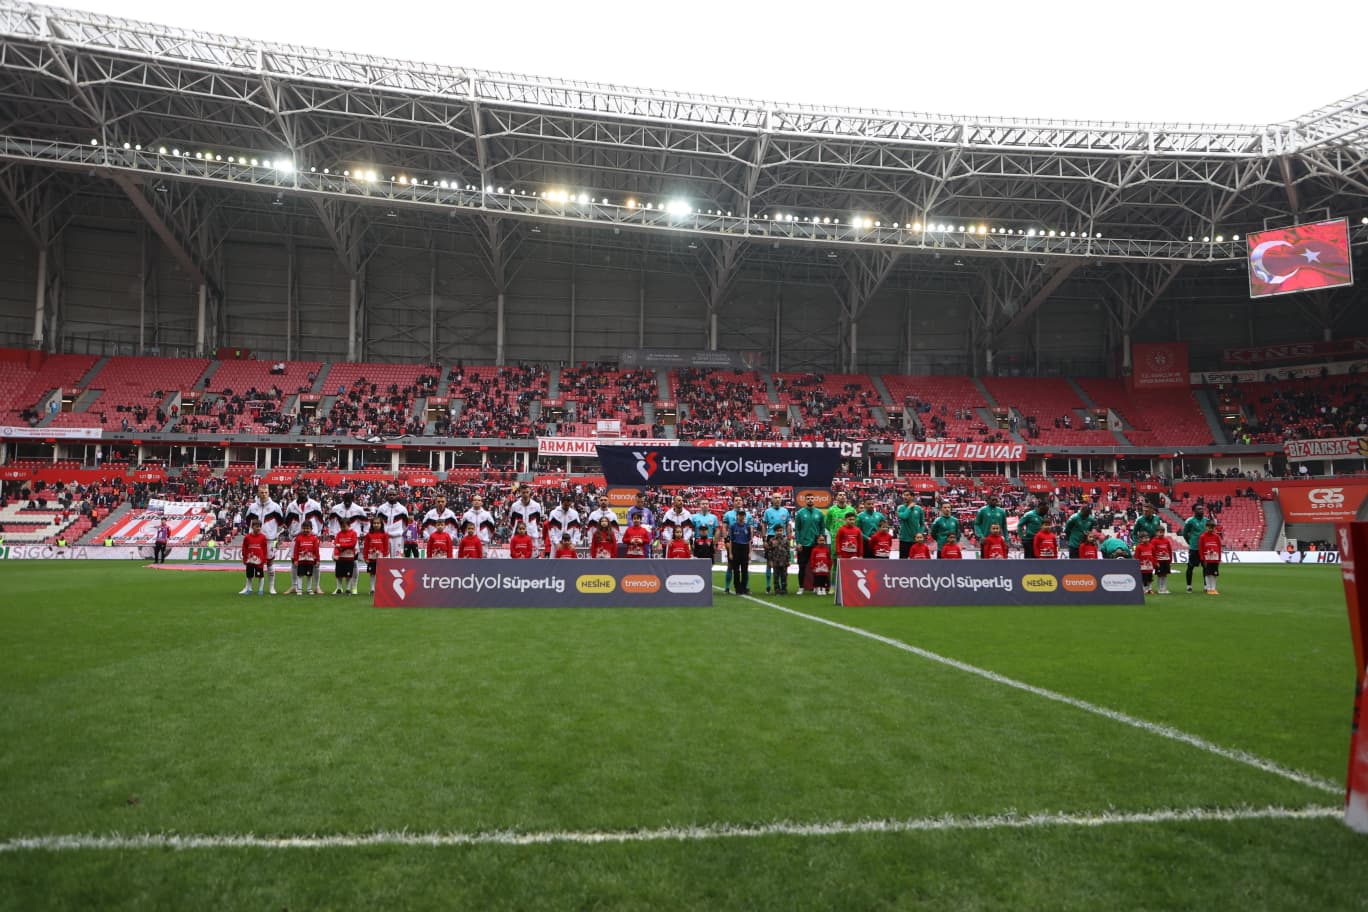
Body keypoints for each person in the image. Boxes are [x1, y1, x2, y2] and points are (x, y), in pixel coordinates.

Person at [245, 486, 285, 595]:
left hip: (269, 540)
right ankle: (248, 587)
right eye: (261, 492)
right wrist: (251, 533)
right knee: (251, 562)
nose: (263, 494)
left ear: (268, 493)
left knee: (270, 562)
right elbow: (248, 521)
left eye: (265, 492)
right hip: (254, 540)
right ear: (258, 493)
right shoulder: (252, 507)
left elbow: (281, 523)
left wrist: (275, 535)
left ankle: (271, 587)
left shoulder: (275, 507)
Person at [793, 492, 824, 594]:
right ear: (805, 500)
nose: (810, 500)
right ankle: (801, 587)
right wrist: (798, 542)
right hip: (803, 544)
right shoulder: (800, 513)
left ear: (814, 500)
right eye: (808, 498)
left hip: (815, 544)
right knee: (802, 566)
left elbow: (822, 528)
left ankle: (817, 587)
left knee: (817, 566)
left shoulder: (819, 513)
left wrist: (821, 541)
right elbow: (797, 529)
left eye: (812, 498)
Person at [375, 488, 410, 558]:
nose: (392, 496)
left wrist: (400, 533)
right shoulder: (381, 509)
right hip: (384, 537)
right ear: (387, 496)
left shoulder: (403, 509)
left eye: (394, 495)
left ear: (397, 496)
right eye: (390, 495)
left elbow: (406, 525)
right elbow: (377, 523)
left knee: (397, 559)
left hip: (398, 538)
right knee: (384, 558)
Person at [509, 488, 545, 555]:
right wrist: (519, 530)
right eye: (523, 492)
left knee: (533, 558)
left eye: (527, 492)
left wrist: (532, 528)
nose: (525, 494)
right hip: (518, 537)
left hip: (532, 536)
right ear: (520, 493)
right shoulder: (514, 506)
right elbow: (512, 522)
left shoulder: (536, 505)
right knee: (518, 557)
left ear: (530, 493)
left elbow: (538, 521)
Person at [1182, 504, 1209, 593]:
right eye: (1199, 509)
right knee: (1190, 567)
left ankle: (1206, 586)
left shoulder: (1206, 520)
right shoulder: (1190, 521)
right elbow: (1185, 533)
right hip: (1194, 548)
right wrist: (1190, 542)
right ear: (1194, 511)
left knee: (1206, 567)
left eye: (1202, 509)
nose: (1201, 510)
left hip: (1205, 548)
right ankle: (1189, 586)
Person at [727, 507, 754, 594]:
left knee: (744, 570)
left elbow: (749, 541)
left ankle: (744, 587)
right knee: (736, 570)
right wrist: (730, 553)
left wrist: (750, 552)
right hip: (736, 548)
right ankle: (737, 588)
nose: (741, 516)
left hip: (745, 548)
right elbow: (731, 541)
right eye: (740, 515)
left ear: (745, 516)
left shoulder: (748, 527)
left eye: (743, 515)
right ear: (737, 516)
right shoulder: (733, 526)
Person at [240, 517, 269, 595]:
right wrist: (244, 558)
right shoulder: (247, 537)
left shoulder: (263, 537)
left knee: (260, 576)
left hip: (259, 561)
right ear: (252, 527)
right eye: (257, 526)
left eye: (260, 526)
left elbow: (265, 549)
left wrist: (264, 559)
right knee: (249, 576)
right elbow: (244, 548)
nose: (258, 528)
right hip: (249, 560)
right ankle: (249, 589)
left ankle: (260, 590)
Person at [362, 516, 389, 595]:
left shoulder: (384, 534)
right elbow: (366, 547)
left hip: (381, 558)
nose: (376, 525)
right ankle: (372, 589)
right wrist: (365, 557)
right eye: (374, 523)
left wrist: (384, 556)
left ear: (381, 524)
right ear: (372, 524)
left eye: (378, 523)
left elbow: (386, 547)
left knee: (381, 574)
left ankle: (380, 589)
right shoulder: (369, 535)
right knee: (372, 573)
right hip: (371, 558)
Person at [291, 524, 321, 596]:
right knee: (300, 575)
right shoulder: (298, 538)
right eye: (304, 528)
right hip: (301, 560)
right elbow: (296, 550)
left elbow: (316, 550)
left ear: (311, 529)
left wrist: (318, 560)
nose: (306, 530)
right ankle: (299, 589)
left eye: (307, 528)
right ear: (302, 529)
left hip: (310, 560)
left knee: (309, 575)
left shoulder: (314, 538)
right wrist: (295, 560)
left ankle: (309, 589)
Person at [824, 491, 857, 556]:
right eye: (840, 495)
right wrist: (833, 531)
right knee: (835, 557)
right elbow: (827, 523)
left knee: (849, 557)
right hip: (835, 538)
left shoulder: (851, 510)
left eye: (844, 495)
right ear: (836, 497)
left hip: (849, 537)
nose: (842, 496)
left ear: (846, 497)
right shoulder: (831, 510)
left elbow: (855, 523)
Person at [896, 490, 925, 559]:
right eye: (904, 495)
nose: (905, 497)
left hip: (915, 540)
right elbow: (904, 517)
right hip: (904, 539)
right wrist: (909, 507)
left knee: (916, 560)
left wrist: (920, 534)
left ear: (912, 497)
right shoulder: (900, 508)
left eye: (907, 495)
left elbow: (922, 524)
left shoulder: (919, 509)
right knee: (903, 560)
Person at [332, 522, 359, 595]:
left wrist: (341, 545)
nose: (343, 528)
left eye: (344, 526)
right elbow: (336, 545)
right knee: (339, 574)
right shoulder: (338, 534)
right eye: (341, 527)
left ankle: (348, 589)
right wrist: (336, 554)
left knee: (348, 575)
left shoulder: (353, 533)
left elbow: (352, 544)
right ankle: (339, 588)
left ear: (349, 526)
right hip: (340, 558)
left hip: (349, 557)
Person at [1198, 519, 1223, 595]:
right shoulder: (1202, 537)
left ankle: (1213, 588)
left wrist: (1219, 558)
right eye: (1209, 527)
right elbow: (1201, 548)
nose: (1211, 529)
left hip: (1215, 559)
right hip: (1207, 559)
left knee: (1214, 574)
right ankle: (1208, 588)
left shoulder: (1217, 537)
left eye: (1212, 528)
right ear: (1206, 527)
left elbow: (1219, 548)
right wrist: (1202, 559)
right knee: (1208, 574)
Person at [1151, 530, 1174, 594]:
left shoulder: (1166, 540)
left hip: (1166, 560)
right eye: (1160, 532)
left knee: (1165, 574)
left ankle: (1164, 589)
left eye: (1163, 532)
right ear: (1156, 533)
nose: (1162, 533)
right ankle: (1159, 589)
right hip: (1159, 561)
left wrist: (1170, 560)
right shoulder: (1154, 541)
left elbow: (1169, 550)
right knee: (1160, 575)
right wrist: (1155, 562)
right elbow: (1153, 552)